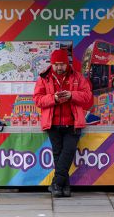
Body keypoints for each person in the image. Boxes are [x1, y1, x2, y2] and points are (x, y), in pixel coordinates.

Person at [33, 49, 92, 197]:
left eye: (62, 64)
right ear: (51, 64)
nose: (59, 67)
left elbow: (87, 96)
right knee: (58, 156)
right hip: (53, 125)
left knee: (67, 154)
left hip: (73, 124)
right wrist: (54, 98)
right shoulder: (43, 78)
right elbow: (38, 99)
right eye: (56, 64)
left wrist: (72, 95)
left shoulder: (77, 77)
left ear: (67, 63)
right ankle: (64, 187)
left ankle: (56, 184)